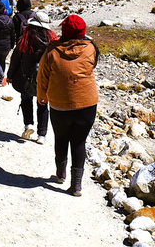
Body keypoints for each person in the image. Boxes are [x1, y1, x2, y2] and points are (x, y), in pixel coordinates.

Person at [37, 15, 99, 196]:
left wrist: (42, 96)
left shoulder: (51, 51)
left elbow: (42, 77)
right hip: (87, 103)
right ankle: (77, 185)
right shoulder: (91, 49)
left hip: (59, 104)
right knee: (79, 142)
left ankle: (60, 174)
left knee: (61, 138)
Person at [7, 11, 57, 144]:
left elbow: (15, 59)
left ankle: (28, 125)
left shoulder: (25, 39)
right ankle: (42, 135)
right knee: (42, 105)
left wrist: (10, 76)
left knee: (26, 100)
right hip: (44, 79)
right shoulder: (51, 43)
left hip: (25, 78)